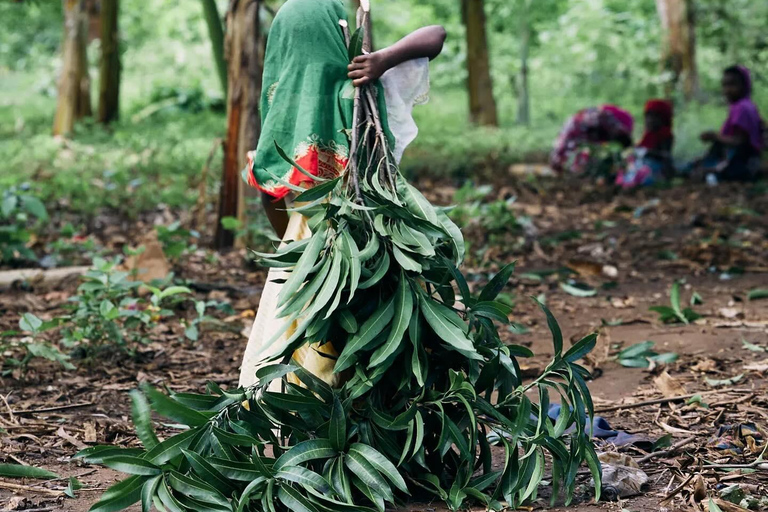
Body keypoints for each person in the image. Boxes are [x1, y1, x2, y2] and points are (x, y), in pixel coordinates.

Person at [238, 0, 446, 388]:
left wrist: (297, 249)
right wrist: (384, 59)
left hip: (307, 264)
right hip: (380, 249)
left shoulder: (292, 116)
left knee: (310, 362)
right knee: (374, 353)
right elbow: (436, 35)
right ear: (340, 37)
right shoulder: (364, 94)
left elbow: (270, 195)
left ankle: (316, 433)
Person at [693, 65, 764, 183]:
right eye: (724, 85)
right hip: (744, 158)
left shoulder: (742, 108)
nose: (727, 90)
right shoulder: (746, 105)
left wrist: (714, 136)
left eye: (732, 84)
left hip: (743, 161)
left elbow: (740, 141)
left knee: (703, 172)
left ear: (744, 85)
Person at [550, 104, 634, 177]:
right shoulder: (601, 121)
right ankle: (570, 168)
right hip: (586, 128)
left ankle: (574, 169)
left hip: (592, 129)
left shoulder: (609, 124)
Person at [616, 99, 675, 189]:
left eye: (654, 117)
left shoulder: (666, 135)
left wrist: (647, 152)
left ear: (662, 119)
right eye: (647, 116)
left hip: (656, 169)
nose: (649, 120)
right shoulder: (648, 135)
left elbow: (666, 156)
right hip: (643, 165)